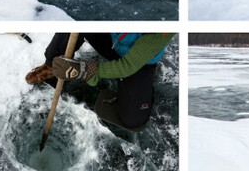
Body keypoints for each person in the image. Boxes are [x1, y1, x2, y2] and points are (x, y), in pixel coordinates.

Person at [26, 33, 174, 129]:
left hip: (140, 62)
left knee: (133, 121)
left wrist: (84, 70)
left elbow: (128, 66)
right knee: (74, 25)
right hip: (112, 42)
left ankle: (134, 91)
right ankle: (51, 66)